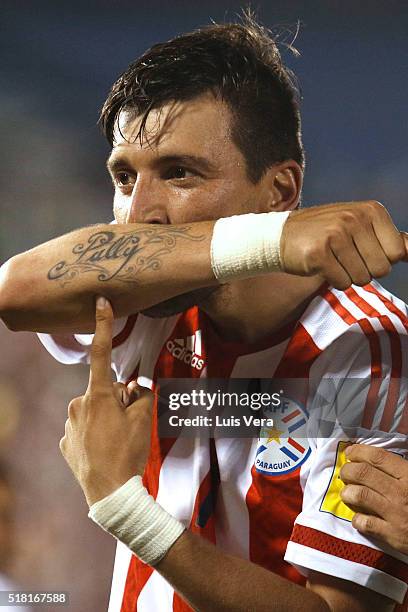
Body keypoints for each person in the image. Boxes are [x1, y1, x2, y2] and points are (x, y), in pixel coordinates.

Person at [1, 13, 407, 611]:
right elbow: (14, 290)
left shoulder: (364, 345)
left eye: (179, 173)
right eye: (123, 176)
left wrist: (125, 507)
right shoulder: (150, 308)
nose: (141, 213)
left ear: (281, 192)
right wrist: (262, 243)